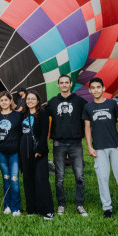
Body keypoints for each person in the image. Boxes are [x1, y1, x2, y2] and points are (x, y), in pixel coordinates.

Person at [83, 78, 118, 219]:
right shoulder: (88, 107)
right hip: (99, 148)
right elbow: (87, 128)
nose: (96, 90)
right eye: (93, 88)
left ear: (103, 88)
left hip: (115, 147)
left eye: (98, 87)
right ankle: (107, 208)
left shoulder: (112, 104)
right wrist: (89, 146)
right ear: (90, 90)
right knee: (102, 178)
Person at [47, 74, 88, 217]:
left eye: (66, 82)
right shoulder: (52, 102)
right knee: (59, 177)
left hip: (76, 143)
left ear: (71, 84)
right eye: (61, 83)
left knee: (79, 176)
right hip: (59, 143)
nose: (64, 85)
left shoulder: (80, 102)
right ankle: (61, 204)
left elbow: (91, 112)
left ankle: (79, 204)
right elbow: (39, 115)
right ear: (58, 85)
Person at [19, 90, 54, 220]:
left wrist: (39, 150)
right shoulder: (23, 115)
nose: (30, 101)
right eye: (28, 99)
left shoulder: (42, 114)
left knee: (41, 180)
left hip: (38, 152)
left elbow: (45, 133)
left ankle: (48, 210)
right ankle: (31, 209)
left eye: (33, 99)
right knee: (28, 180)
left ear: (38, 101)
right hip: (24, 151)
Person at [0, 91, 22, 216]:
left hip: (14, 152)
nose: (4, 102)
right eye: (1, 100)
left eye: (6, 100)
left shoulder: (17, 115)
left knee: (14, 179)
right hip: (1, 152)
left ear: (11, 101)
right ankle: (7, 205)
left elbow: (22, 132)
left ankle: (16, 207)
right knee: (6, 179)